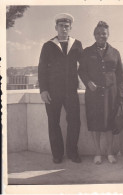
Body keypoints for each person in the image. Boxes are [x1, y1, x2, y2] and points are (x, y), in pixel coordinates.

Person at [38, 13, 83, 163]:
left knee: (75, 121)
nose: (64, 29)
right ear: (56, 27)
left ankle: (72, 152)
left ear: (70, 28)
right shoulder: (48, 45)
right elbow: (42, 69)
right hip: (52, 91)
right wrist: (43, 90)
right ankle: (57, 154)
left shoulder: (77, 44)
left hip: (71, 91)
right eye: (61, 26)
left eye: (67, 26)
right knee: (53, 122)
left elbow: (84, 67)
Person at [78, 21, 123, 164]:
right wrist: (88, 82)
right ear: (94, 35)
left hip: (111, 94)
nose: (101, 36)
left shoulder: (115, 52)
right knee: (95, 123)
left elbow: (121, 77)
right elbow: (81, 71)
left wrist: (120, 96)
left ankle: (110, 152)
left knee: (110, 124)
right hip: (93, 94)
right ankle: (97, 153)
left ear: (108, 35)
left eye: (104, 33)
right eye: (98, 33)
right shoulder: (87, 52)